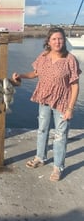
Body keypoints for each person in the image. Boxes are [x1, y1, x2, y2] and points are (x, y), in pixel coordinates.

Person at [12, 27, 81, 182]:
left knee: (60, 135)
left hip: (63, 102)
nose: (57, 42)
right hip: (44, 99)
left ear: (64, 40)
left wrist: (70, 108)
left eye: (60, 38)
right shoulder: (43, 56)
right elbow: (35, 73)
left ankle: (58, 167)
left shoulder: (70, 59)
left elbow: (75, 86)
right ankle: (40, 157)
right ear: (48, 41)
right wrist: (21, 75)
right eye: (54, 39)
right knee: (42, 129)